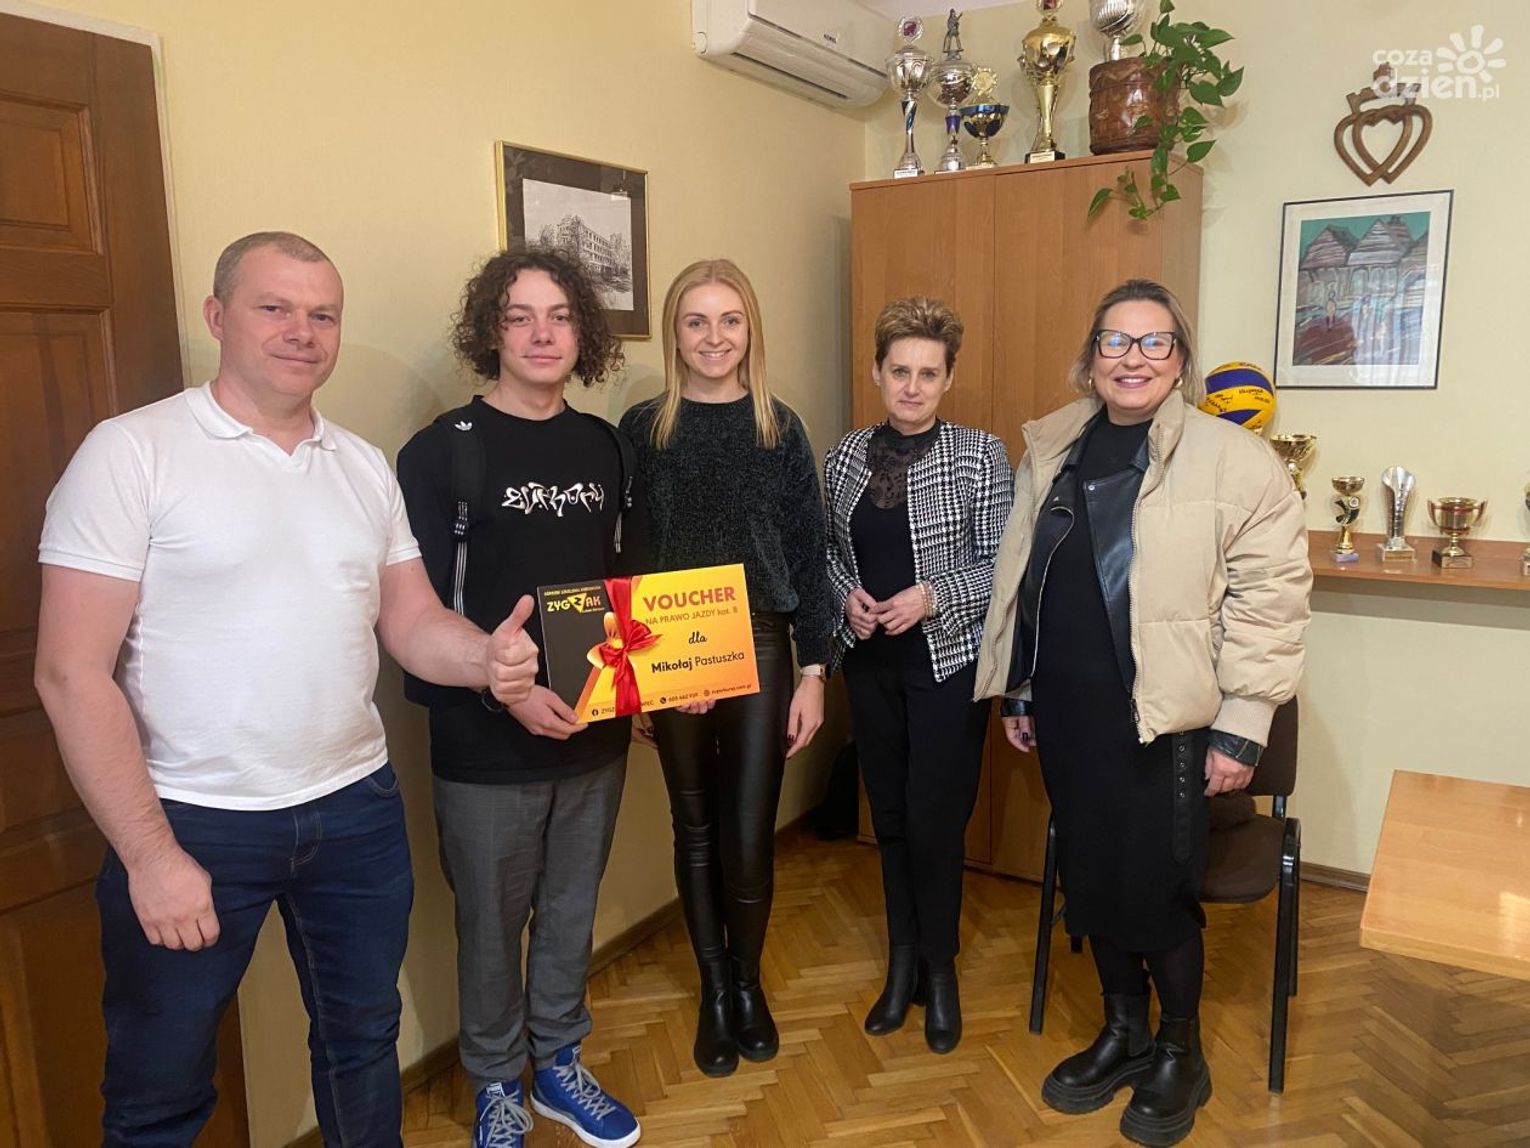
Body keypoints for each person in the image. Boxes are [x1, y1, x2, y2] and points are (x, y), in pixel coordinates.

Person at [33, 231, 539, 1148]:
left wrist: (485, 660)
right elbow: (70, 673)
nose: (302, 331)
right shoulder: (133, 453)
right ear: (217, 316)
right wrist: (150, 855)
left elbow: (413, 622)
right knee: (159, 1085)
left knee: (363, 1044)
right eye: (275, 308)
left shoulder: (361, 465)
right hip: (194, 819)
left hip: (356, 810)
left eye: (323, 314)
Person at [973, 279, 1310, 1147]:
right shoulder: (1053, 445)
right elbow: (1024, 579)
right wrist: (1020, 686)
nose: (1133, 358)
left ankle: (1179, 1050)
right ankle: (1123, 1029)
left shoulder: (1237, 461)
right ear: (1090, 357)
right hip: (1069, 712)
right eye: (1115, 341)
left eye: (1154, 342)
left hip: (1169, 720)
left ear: (1181, 360)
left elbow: (1272, 602)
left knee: (1158, 890)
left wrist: (1243, 726)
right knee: (1091, 878)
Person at [396, 247, 643, 1148]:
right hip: (485, 743)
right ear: (490, 332)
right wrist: (511, 694)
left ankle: (559, 1065)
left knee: (571, 912)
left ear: (583, 333)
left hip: (592, 733)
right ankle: (498, 1081)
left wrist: (651, 682)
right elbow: (414, 611)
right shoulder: (440, 453)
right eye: (519, 317)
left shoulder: (607, 446)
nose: (542, 334)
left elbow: (619, 586)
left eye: (560, 316)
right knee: (493, 927)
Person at [619, 259, 832, 1078]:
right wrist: (637, 677)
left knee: (748, 834)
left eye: (730, 320)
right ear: (674, 334)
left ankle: (748, 984)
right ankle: (714, 990)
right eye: (696, 322)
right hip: (671, 645)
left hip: (764, 642)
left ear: (751, 330)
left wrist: (815, 672)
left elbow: (809, 554)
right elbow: (631, 553)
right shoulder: (646, 429)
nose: (714, 338)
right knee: (697, 829)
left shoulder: (780, 427)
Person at [822, 297, 1012, 1053]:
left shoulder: (979, 455)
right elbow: (824, 552)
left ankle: (941, 969)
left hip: (945, 668)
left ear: (948, 378)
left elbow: (1001, 566)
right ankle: (901, 963)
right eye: (899, 370)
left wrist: (933, 597)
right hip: (869, 667)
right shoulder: (843, 456)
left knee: (936, 823)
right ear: (877, 371)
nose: (911, 386)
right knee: (892, 819)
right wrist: (846, 595)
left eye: (928, 373)